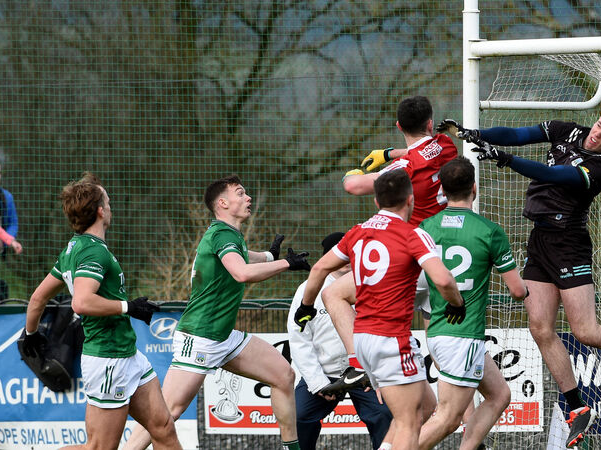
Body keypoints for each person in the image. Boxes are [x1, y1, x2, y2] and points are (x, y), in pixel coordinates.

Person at [439, 108, 601, 448]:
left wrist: (505, 159)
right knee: (540, 328)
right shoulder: (568, 130)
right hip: (540, 240)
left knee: (585, 331)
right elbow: (518, 134)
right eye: (600, 125)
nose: (598, 133)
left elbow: (553, 174)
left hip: (569, 245)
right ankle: (577, 407)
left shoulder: (599, 169)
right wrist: (476, 133)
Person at [125, 175, 311, 450]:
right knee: (166, 415)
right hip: (200, 337)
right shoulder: (222, 234)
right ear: (222, 203)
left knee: (283, 375)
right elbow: (241, 272)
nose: (248, 198)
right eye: (240, 193)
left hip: (223, 337)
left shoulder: (226, 235)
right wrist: (286, 263)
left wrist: (271, 256)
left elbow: (242, 256)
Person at [294, 169, 465, 450]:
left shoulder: (356, 233)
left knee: (422, 409)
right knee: (411, 422)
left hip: (362, 342)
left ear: (376, 202)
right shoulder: (413, 235)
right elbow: (444, 279)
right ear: (410, 200)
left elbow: (319, 268)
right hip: (393, 341)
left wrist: (306, 306)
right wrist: (457, 303)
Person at [310, 95, 458, 395]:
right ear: (430, 123)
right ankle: (468, 428)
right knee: (444, 360)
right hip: (445, 256)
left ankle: (358, 365)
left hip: (414, 259)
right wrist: (391, 153)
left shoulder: (403, 171)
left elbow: (353, 186)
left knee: (333, 293)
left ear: (398, 125)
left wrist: (356, 171)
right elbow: (422, 149)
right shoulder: (446, 146)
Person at [22, 172, 181, 450]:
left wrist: (30, 333)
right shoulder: (92, 252)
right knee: (99, 448)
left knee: (163, 428)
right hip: (108, 360)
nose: (110, 206)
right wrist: (128, 307)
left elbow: (37, 299)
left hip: (129, 356)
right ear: (99, 211)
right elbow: (82, 302)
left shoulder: (74, 249)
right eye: (107, 201)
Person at [417, 157, 528, 450]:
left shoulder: (426, 226)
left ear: (442, 189)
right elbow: (517, 291)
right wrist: (529, 283)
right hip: (462, 336)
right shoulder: (489, 231)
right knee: (448, 419)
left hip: (439, 330)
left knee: (500, 395)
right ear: (474, 188)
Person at [287, 232, 394, 450]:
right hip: (324, 373)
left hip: (366, 374)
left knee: (386, 414)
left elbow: (384, 331)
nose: (345, 260)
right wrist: (318, 382)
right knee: (297, 416)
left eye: (350, 254)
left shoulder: (371, 284)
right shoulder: (308, 290)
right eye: (339, 255)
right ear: (328, 257)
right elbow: (299, 339)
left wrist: (378, 375)